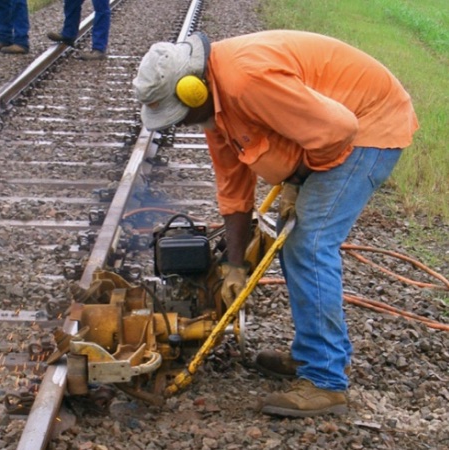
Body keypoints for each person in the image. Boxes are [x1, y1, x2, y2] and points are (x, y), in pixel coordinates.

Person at [132, 30, 419, 418]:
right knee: (292, 241)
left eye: (178, 113)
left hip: (369, 125)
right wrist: (235, 264)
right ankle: (316, 356)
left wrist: (296, 182)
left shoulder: (246, 81)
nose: (180, 124)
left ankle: (326, 381)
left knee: (309, 243)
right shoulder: (215, 109)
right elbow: (233, 190)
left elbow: (339, 130)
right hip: (339, 129)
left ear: (193, 91)